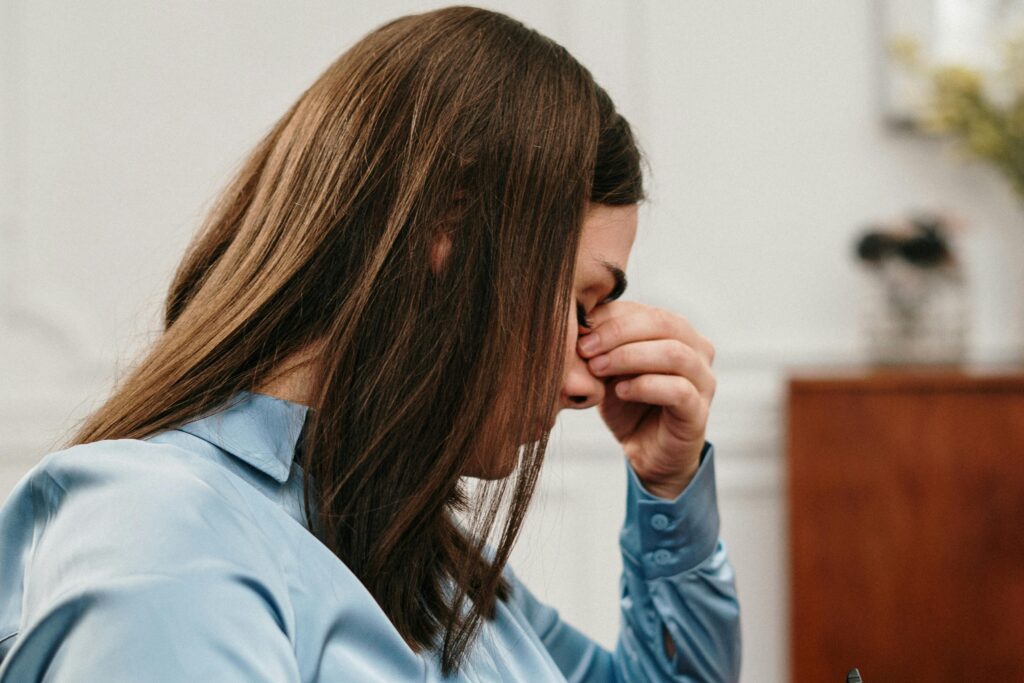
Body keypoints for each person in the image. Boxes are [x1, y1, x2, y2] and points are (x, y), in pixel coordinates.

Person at [0, 6, 740, 681]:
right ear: (449, 220)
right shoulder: (164, 538)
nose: (586, 383)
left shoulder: (431, 560)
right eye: (578, 301)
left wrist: (668, 489)